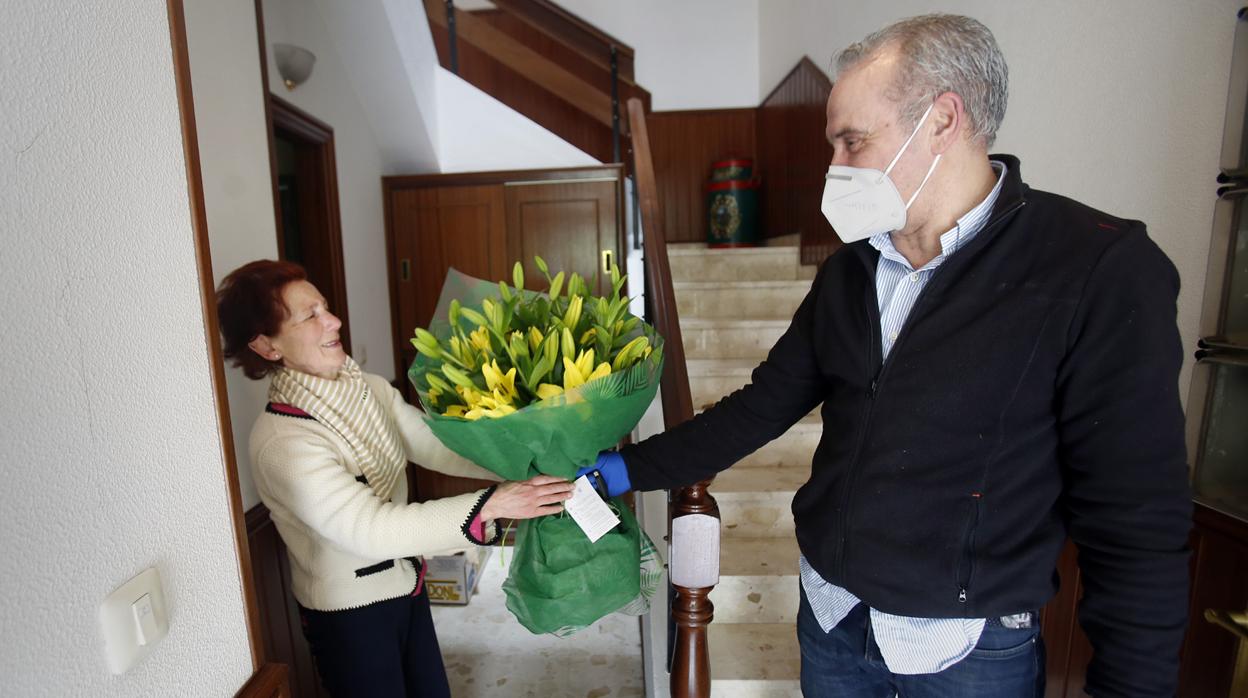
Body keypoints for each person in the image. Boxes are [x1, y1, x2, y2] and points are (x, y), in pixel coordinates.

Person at [585, 14, 1191, 698]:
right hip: (832, 622)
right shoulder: (849, 272)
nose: (834, 168)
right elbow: (759, 408)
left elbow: (1136, 526)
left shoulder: (1093, 268)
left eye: (853, 141)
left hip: (966, 652)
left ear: (943, 120)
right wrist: (621, 469)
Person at [217, 260, 574, 697]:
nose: (334, 320)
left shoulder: (366, 388)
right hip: (350, 616)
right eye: (310, 315)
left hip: (406, 583)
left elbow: (433, 443)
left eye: (325, 307)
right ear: (267, 346)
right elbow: (370, 529)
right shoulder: (283, 441)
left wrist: (524, 461)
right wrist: (493, 504)